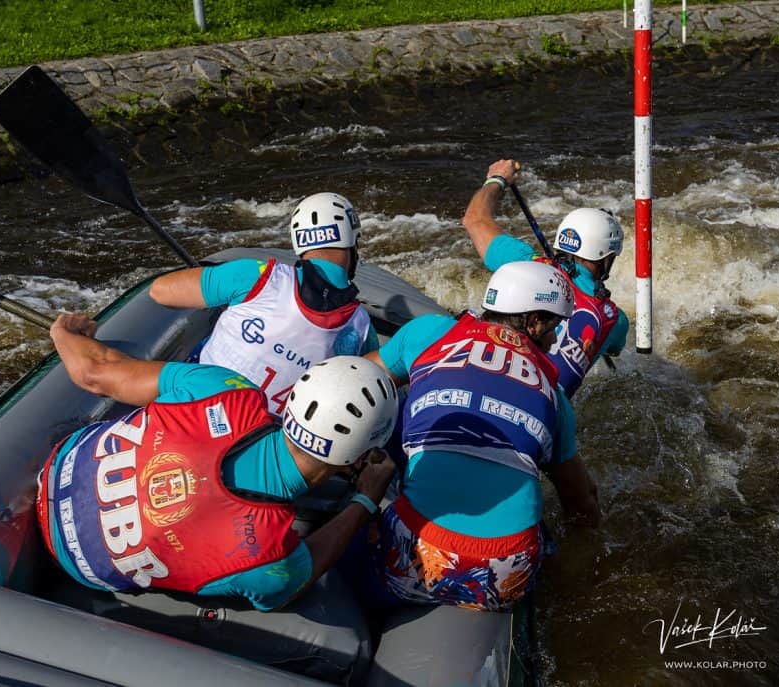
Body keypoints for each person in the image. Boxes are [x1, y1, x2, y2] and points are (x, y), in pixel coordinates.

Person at [36, 312, 398, 611]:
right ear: (362, 456)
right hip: (78, 563)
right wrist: (365, 500)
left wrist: (62, 332)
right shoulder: (270, 558)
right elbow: (302, 574)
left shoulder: (226, 389)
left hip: (57, 469)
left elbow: (93, 373)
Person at [361, 261, 601, 611]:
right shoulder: (556, 399)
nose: (553, 342)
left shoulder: (429, 333)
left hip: (414, 553)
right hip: (506, 572)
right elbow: (582, 502)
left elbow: (357, 380)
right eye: (553, 328)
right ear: (533, 322)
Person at [149, 192, 379, 416]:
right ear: (352, 242)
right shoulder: (362, 329)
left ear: (299, 241)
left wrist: (221, 289)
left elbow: (159, 292)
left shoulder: (257, 275)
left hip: (193, 411)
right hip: (263, 436)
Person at [461, 159, 629, 397]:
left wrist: (497, 179)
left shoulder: (523, 261)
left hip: (480, 376)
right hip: (542, 406)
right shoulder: (614, 320)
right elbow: (614, 349)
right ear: (606, 258)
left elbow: (474, 220)